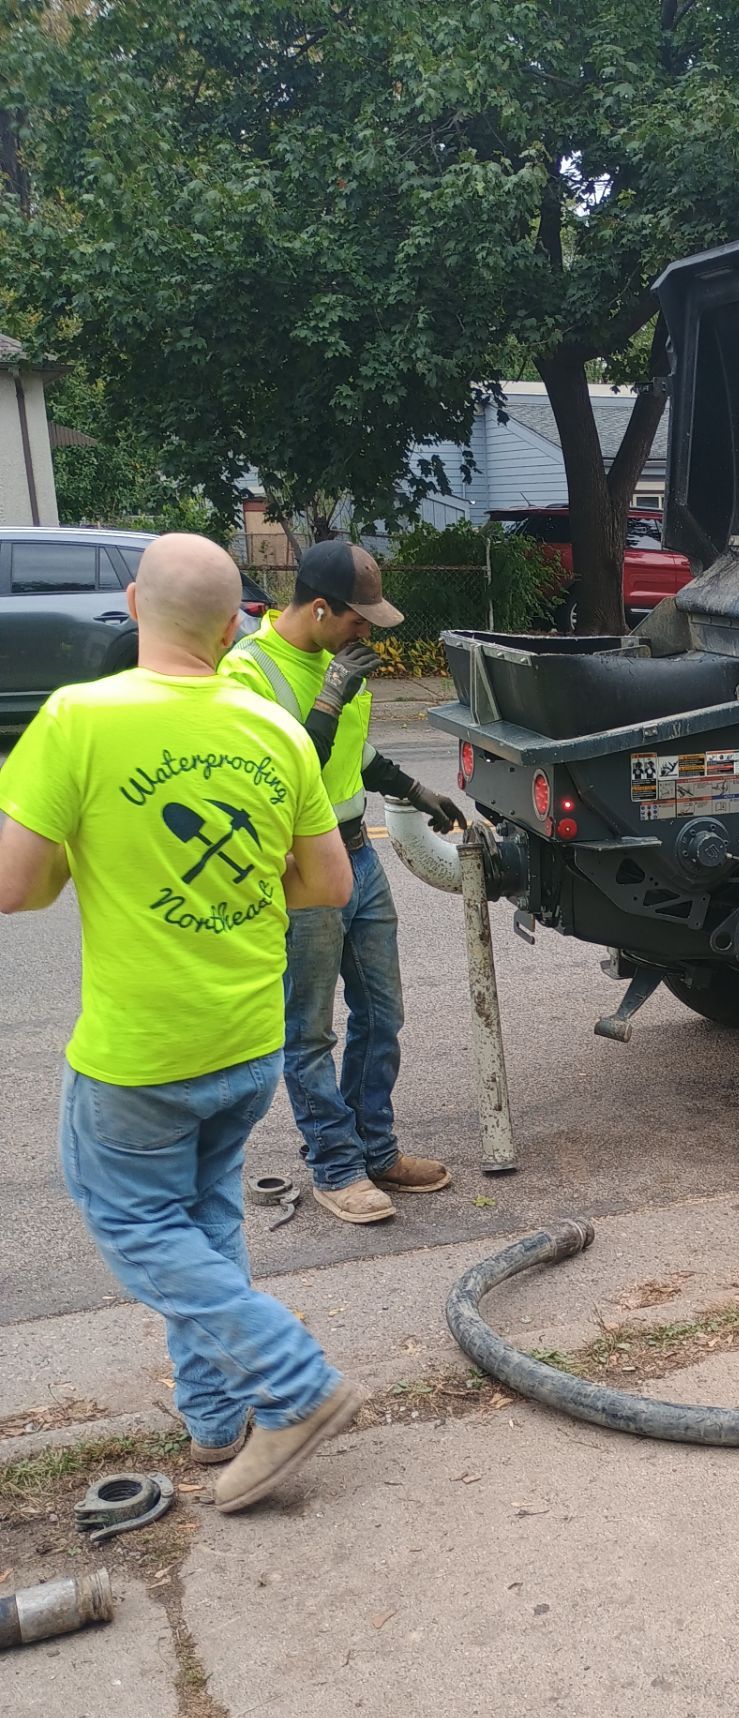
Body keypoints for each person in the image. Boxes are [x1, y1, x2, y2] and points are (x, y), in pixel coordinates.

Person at [0, 532, 361, 1515]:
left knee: (133, 1220)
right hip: (246, 1042)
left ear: (132, 603)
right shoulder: (274, 726)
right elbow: (327, 882)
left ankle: (297, 1384)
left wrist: (100, 858)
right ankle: (213, 1421)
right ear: (234, 623)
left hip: (139, 1053)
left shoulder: (79, 719)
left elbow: (15, 886)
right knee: (200, 1223)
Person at [220, 541, 464, 1225]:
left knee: (383, 1014)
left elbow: (355, 756)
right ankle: (334, 1166)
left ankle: (374, 1149)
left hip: (358, 852)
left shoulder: (339, 664)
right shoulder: (247, 674)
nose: (367, 636)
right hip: (297, 868)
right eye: (359, 621)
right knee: (309, 1031)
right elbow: (283, 774)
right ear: (322, 608)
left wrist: (416, 788)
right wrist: (330, 696)